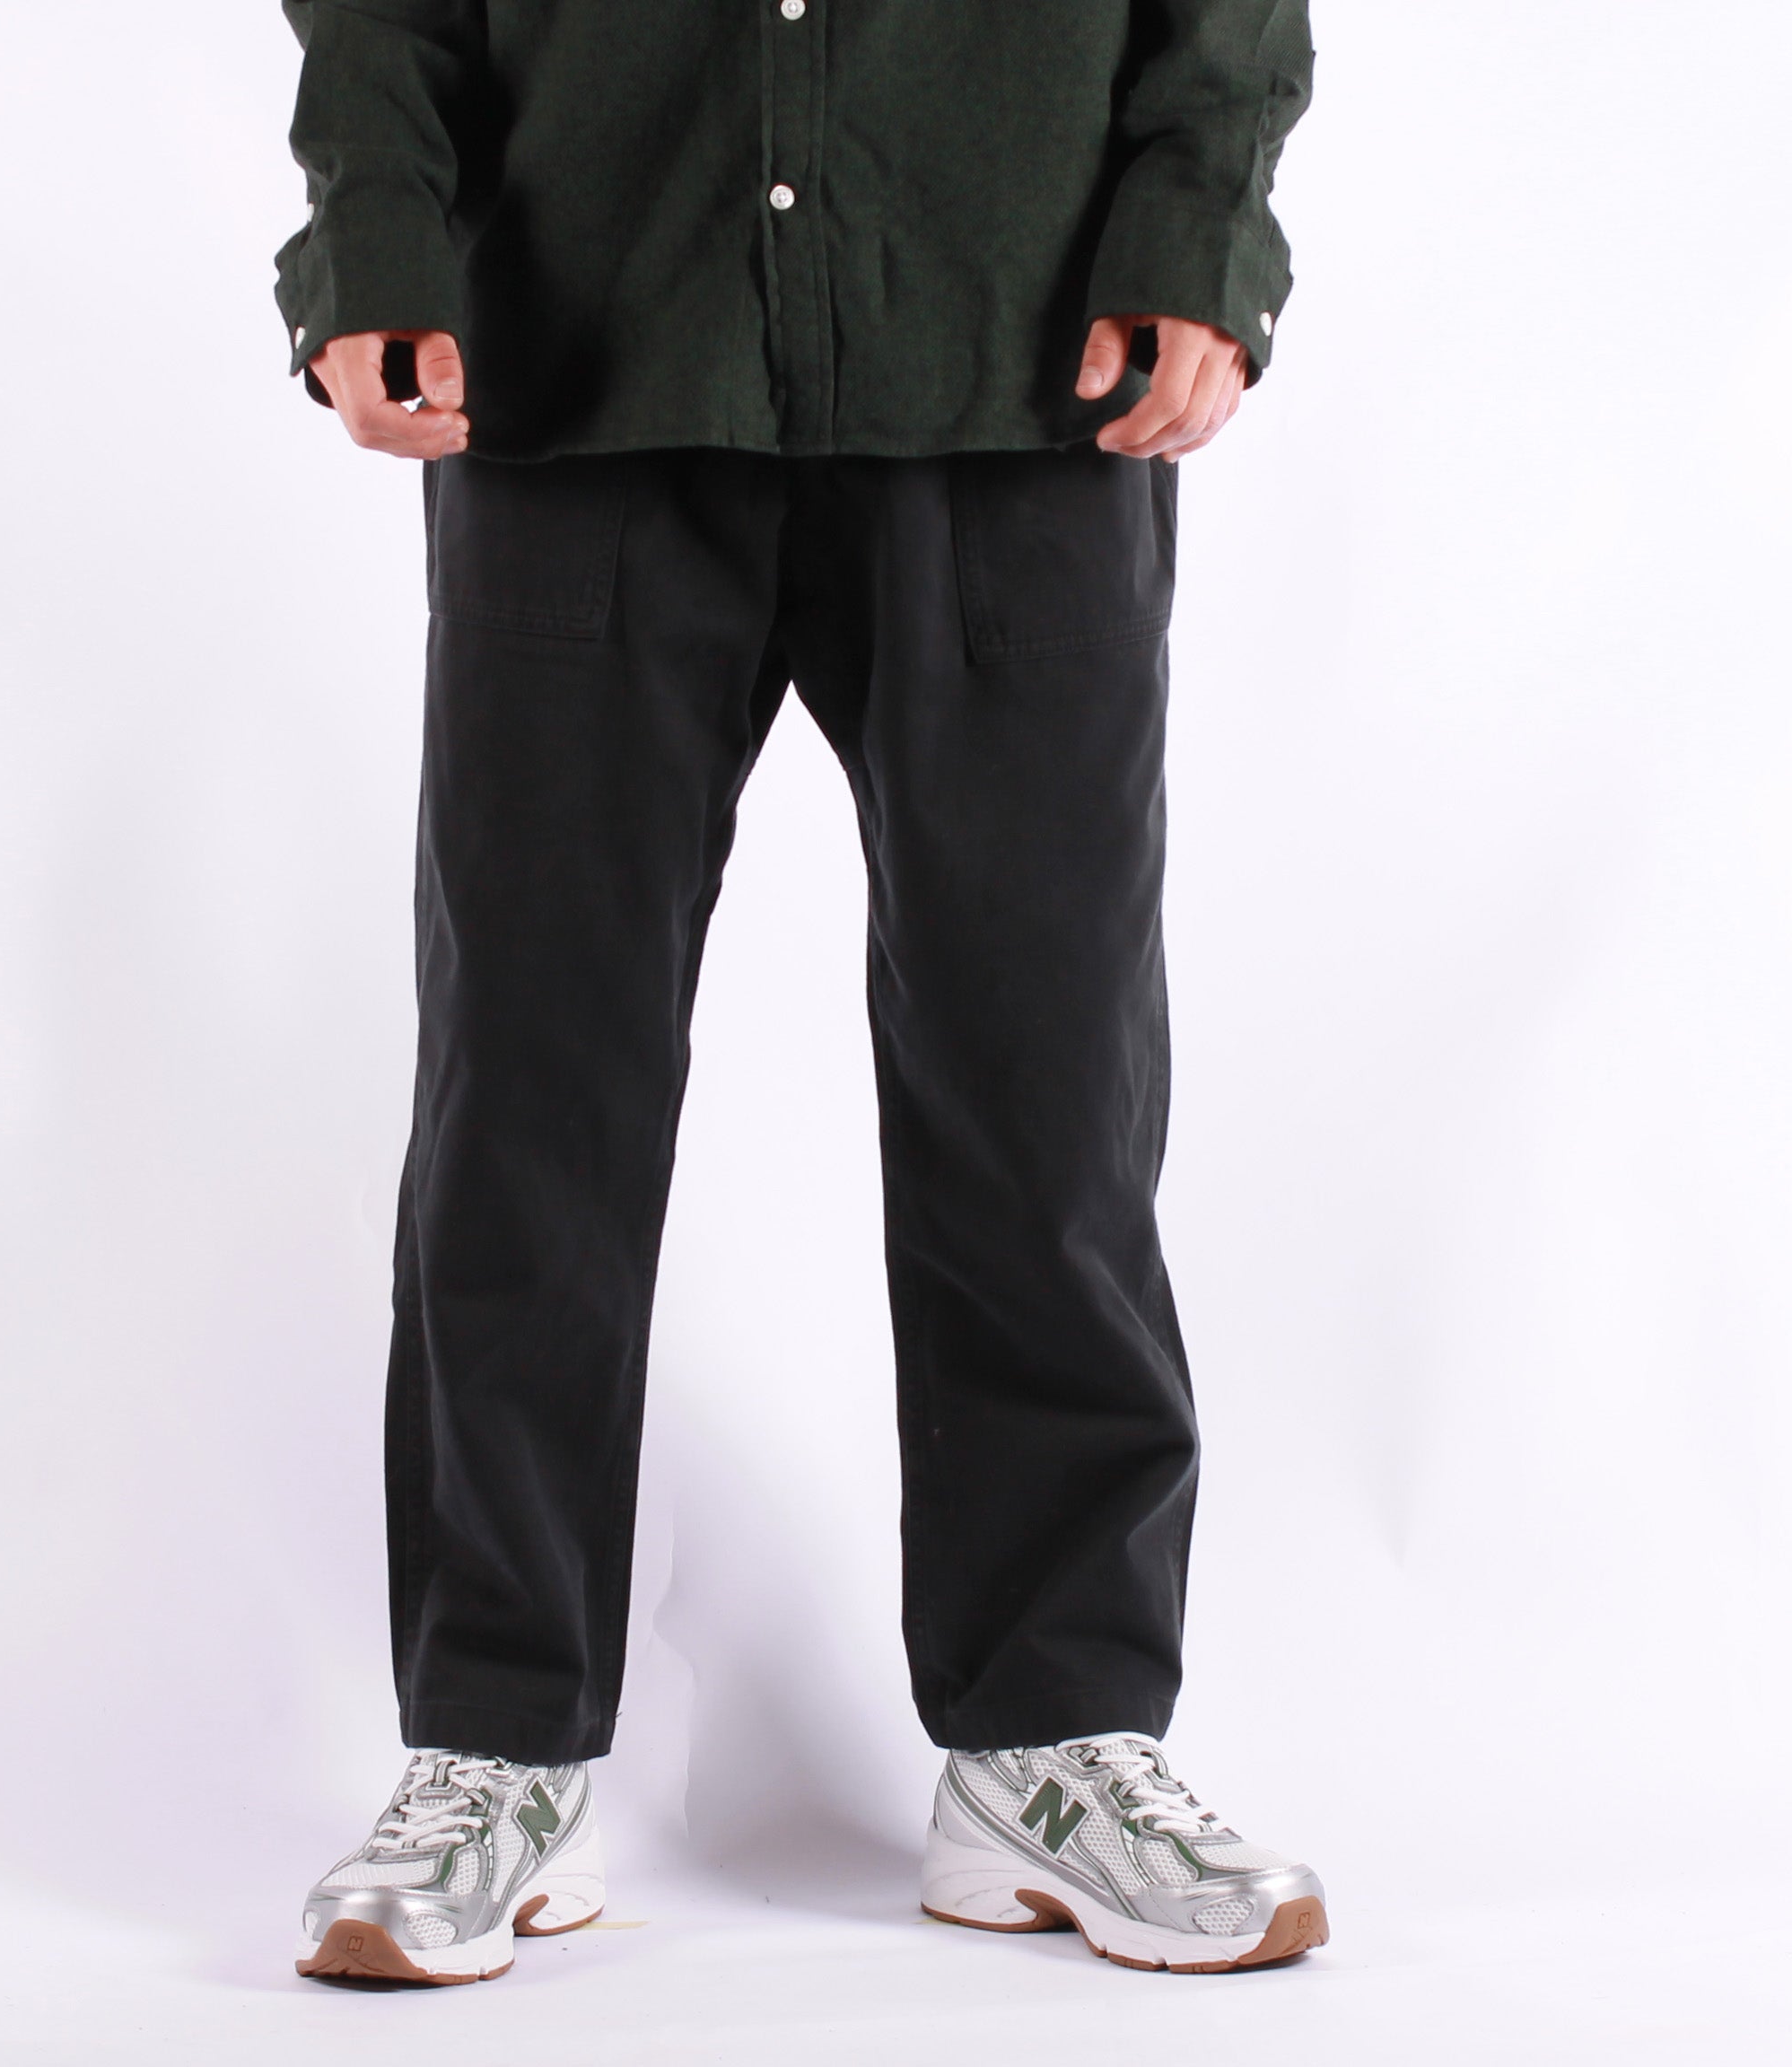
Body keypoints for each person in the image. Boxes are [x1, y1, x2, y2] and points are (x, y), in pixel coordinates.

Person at [276, 0, 1323, 1987]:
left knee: (1046, 1089)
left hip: (1021, 351)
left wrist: (1200, 223)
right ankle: (497, 1741)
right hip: (583, 340)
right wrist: (377, 227)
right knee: (528, 1091)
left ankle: (1051, 1734)